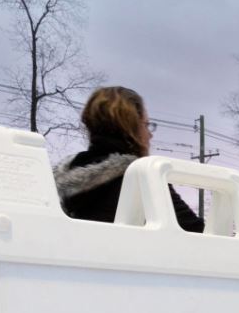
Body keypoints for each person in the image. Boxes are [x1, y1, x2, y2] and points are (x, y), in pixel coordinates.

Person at [54, 86, 203, 232]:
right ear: (131, 129)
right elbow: (198, 234)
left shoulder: (52, 187)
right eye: (146, 125)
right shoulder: (144, 178)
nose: (150, 135)